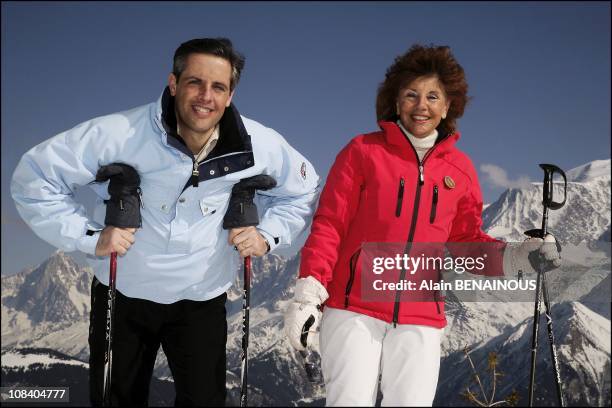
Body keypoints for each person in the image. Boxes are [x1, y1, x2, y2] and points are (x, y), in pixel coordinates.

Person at [11, 38, 319, 406]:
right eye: (195, 82)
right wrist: (90, 235)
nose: (206, 96)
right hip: (121, 293)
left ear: (230, 95)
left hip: (201, 299)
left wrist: (269, 236)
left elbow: (304, 189)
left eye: (218, 87)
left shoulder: (258, 144)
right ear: (174, 83)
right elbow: (33, 179)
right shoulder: (119, 134)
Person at [284, 44, 561, 406]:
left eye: (433, 96)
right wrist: (309, 293)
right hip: (352, 307)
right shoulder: (363, 151)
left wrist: (520, 257)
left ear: (448, 107)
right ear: (396, 101)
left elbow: (466, 242)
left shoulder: (459, 171)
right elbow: (330, 224)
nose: (421, 105)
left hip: (421, 315)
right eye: (411, 95)